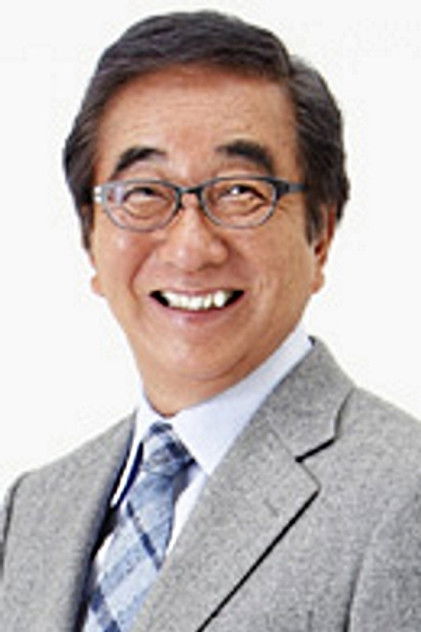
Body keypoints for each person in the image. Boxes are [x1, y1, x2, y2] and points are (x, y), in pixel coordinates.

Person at [1, 10, 421, 632]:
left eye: (240, 192)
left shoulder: (403, 495)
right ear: (91, 240)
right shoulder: (34, 510)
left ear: (321, 237)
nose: (191, 249)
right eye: (144, 193)